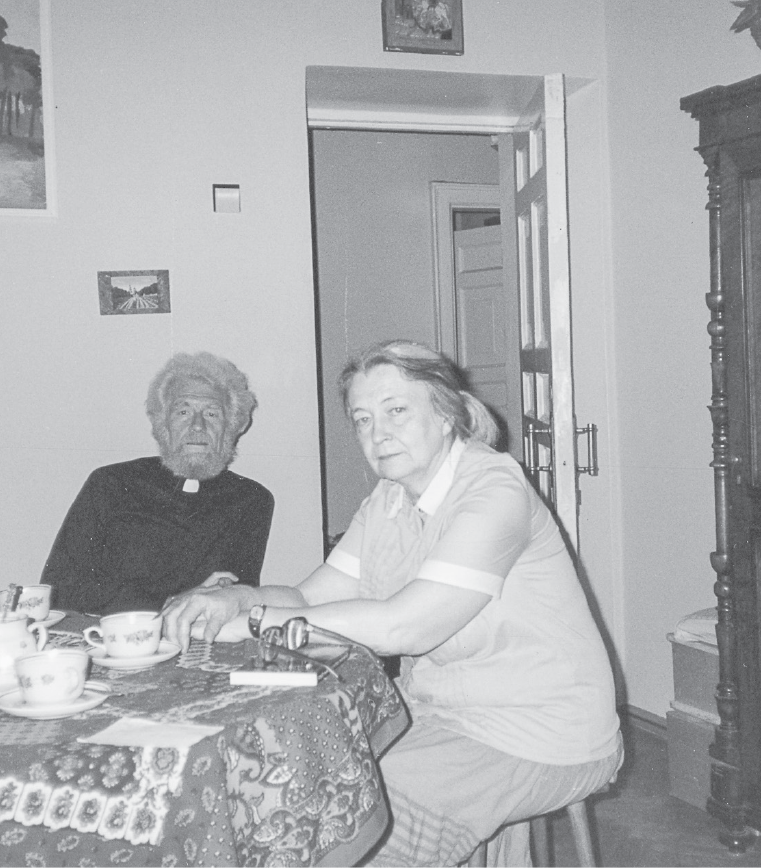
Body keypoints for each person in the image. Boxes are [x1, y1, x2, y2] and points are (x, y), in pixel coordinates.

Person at [161, 339, 622, 867]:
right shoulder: (389, 499)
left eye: (396, 411)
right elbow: (310, 595)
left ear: (447, 414)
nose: (377, 434)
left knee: (353, 824)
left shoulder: (495, 489)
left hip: (539, 731)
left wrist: (253, 622)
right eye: (361, 420)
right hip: (438, 713)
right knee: (301, 777)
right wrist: (234, 598)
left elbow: (405, 627)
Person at [41, 351, 274, 615]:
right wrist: (167, 603)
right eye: (183, 411)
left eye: (211, 414)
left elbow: (235, 596)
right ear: (162, 423)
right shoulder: (110, 484)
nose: (197, 426)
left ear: (232, 427)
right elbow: (57, 589)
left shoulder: (252, 500)